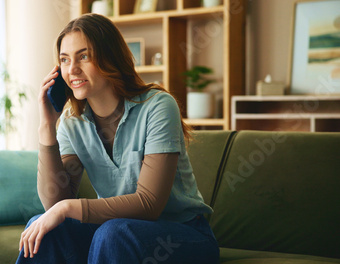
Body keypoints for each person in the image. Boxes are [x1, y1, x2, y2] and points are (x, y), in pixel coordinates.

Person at [17, 13, 219, 264]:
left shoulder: (157, 107)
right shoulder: (71, 123)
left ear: (110, 57)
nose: (72, 70)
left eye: (84, 56)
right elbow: (55, 202)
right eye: (65, 60)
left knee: (114, 234)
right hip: (115, 231)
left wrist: (68, 208)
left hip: (183, 234)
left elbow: (149, 204)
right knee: (43, 226)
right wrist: (47, 126)